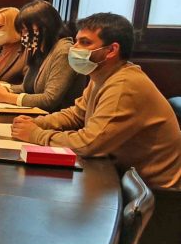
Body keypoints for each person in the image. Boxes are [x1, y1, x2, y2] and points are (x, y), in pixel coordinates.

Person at [11, 13, 180, 189]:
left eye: (85, 42)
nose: (74, 48)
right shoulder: (101, 75)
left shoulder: (124, 85)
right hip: (121, 179)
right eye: (76, 41)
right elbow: (76, 115)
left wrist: (36, 134)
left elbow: (89, 144)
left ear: (111, 50)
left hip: (155, 197)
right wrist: (36, 123)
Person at [0, 0, 84, 112]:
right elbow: (27, 87)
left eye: (27, 30)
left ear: (46, 27)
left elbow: (50, 99)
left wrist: (8, 97)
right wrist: (5, 87)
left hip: (55, 118)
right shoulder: (41, 49)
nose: (23, 35)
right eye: (21, 31)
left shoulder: (63, 51)